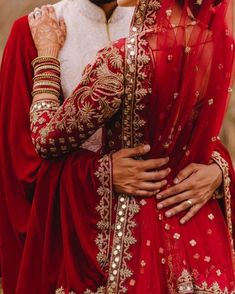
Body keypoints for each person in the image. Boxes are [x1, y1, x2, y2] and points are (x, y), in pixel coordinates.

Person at [0, 0, 233, 293]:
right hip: (78, 241)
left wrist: (216, 170)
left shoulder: (162, 41)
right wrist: (99, 172)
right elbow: (20, 160)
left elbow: (196, 133)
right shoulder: (34, 30)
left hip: (159, 237)